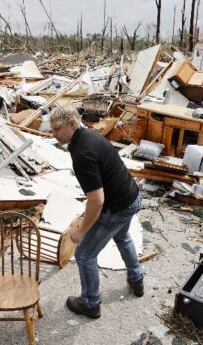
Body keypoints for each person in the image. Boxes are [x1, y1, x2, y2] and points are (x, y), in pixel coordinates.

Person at [49, 105, 144, 319]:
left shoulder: (82, 153)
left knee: (84, 255)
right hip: (132, 196)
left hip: (118, 207)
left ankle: (91, 303)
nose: (53, 134)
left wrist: (81, 232)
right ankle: (137, 279)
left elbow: (96, 200)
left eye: (57, 129)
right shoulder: (89, 134)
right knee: (122, 236)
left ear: (72, 125)